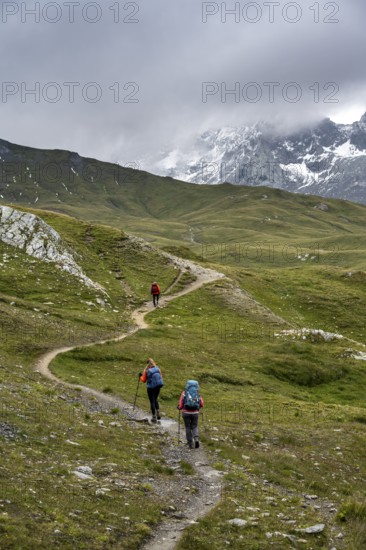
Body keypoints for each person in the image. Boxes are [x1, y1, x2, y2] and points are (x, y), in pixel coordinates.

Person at [178, 380, 204, 449]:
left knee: (187, 427)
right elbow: (202, 404)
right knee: (194, 426)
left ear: (187, 385)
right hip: (195, 413)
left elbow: (181, 404)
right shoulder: (197, 393)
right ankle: (196, 439)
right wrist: (198, 407)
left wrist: (179, 407)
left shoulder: (184, 393)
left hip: (186, 412)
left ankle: (190, 443)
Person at [139, 358, 163, 422]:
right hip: (158, 386)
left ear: (147, 363)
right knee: (155, 399)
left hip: (150, 388)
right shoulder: (157, 368)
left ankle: (154, 417)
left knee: (152, 401)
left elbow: (143, 380)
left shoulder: (147, 370)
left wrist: (140, 377)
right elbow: (161, 377)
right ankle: (158, 413)